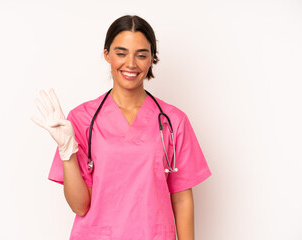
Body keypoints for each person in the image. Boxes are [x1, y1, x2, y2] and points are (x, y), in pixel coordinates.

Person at [31, 15, 211, 240]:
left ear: (152, 59)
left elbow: (182, 199)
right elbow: (80, 206)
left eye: (142, 55)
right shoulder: (81, 119)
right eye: (121, 53)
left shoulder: (172, 121)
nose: (131, 64)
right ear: (107, 55)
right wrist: (67, 152)